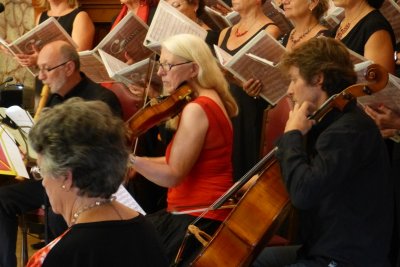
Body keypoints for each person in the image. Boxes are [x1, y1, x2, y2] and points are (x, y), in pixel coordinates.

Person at [252, 37, 393, 267]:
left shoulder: (347, 130)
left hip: (347, 257)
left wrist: (293, 136)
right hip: (322, 248)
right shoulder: (328, 122)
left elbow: (303, 194)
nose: (288, 90)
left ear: (318, 78)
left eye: (294, 80)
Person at [0, 40, 121, 267]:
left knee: (58, 211)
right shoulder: (53, 100)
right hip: (52, 177)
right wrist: (28, 152)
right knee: (3, 199)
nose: (41, 76)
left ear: (69, 67)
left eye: (47, 69)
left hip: (83, 185)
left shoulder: (101, 100)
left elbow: (99, 158)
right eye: (40, 69)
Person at [131, 33, 238, 265]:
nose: (160, 73)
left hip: (197, 217)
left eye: (168, 65)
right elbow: (179, 160)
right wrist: (140, 162)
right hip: (201, 212)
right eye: (160, 65)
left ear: (193, 69)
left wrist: (131, 161)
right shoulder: (211, 99)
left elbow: (173, 174)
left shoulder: (197, 109)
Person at [25, 98, 167, 267]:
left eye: (42, 171)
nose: (43, 183)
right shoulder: (147, 229)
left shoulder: (57, 256)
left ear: (66, 177)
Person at [218, 0, 281, 182]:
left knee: (243, 166)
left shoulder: (270, 30)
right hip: (226, 104)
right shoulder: (225, 32)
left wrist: (236, 78)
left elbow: (261, 76)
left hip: (250, 105)